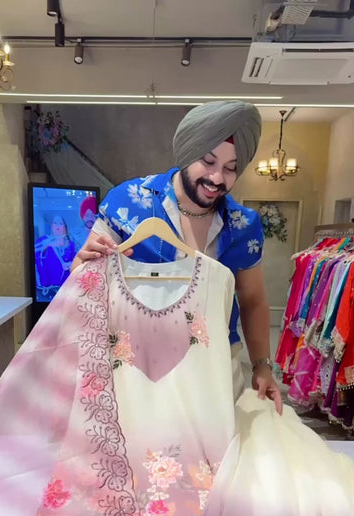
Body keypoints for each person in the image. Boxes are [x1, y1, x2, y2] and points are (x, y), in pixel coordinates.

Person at [71, 100, 282, 414]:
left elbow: (252, 301)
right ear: (187, 151)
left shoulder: (243, 225)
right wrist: (84, 262)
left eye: (230, 168)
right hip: (138, 367)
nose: (217, 178)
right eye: (208, 161)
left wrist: (262, 365)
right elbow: (81, 277)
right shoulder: (127, 202)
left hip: (215, 368)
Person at [35, 214, 76, 301]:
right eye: (55, 223)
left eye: (60, 223)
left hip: (65, 287)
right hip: (47, 288)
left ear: (64, 228)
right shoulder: (44, 240)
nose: (58, 225)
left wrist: (70, 264)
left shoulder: (71, 244)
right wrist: (47, 245)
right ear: (52, 226)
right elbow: (34, 255)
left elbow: (76, 261)